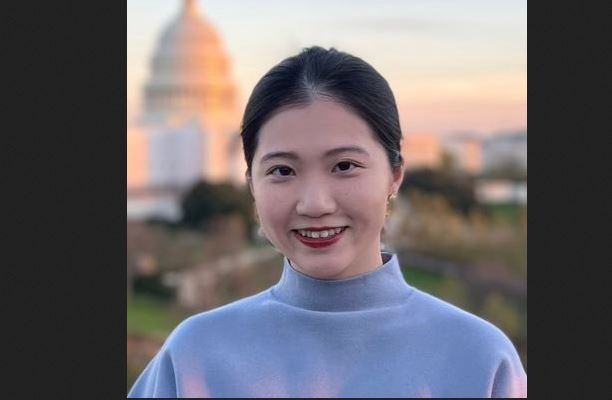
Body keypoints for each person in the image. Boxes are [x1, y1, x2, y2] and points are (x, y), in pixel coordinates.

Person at [128, 46, 527, 398]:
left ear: (394, 174)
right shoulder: (194, 356)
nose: (315, 203)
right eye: (282, 171)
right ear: (251, 184)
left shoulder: (479, 358)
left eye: (344, 166)